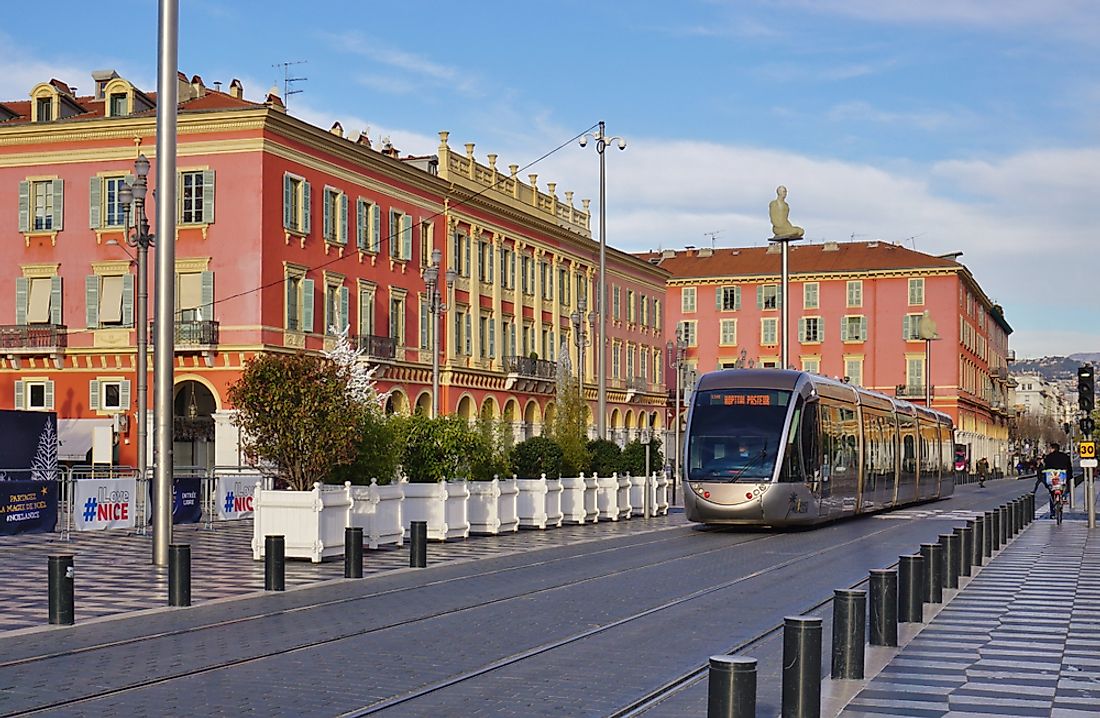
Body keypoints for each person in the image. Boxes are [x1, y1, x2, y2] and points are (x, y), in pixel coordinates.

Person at [1037, 443, 1073, 516]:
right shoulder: (1065, 456)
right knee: (1063, 489)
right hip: (1062, 479)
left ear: (1053, 449)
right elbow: (1069, 468)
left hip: (1052, 479)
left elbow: (1046, 468)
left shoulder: (1048, 457)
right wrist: (1069, 476)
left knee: (1051, 494)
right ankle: (1063, 498)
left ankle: (1052, 512)